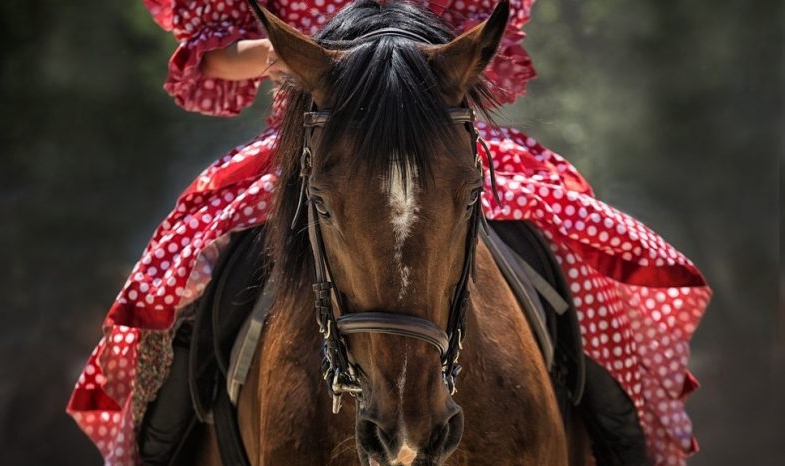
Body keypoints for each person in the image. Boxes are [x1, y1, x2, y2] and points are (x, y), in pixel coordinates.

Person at [67, 1, 711, 465]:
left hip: (431, 130)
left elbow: (482, 38)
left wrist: (407, 58)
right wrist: (312, 57)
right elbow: (215, 54)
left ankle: (620, 434)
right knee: (192, 279)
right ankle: (163, 441)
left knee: (576, 252)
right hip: (322, 136)